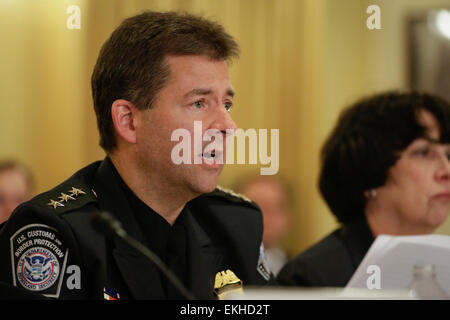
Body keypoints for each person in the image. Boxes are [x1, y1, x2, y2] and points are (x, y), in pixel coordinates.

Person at [0, 11, 273, 300]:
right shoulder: (53, 233)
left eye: (227, 104)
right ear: (129, 120)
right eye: (199, 103)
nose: (228, 126)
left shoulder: (236, 223)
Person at [277, 91, 450, 287]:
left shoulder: (442, 266)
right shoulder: (311, 277)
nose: (446, 171)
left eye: (448, 155)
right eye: (423, 152)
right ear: (370, 170)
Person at [237, 175, 292, 275]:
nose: (265, 217)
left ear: (288, 216)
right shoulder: (219, 271)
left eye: (274, 208)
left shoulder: (302, 270)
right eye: (257, 208)